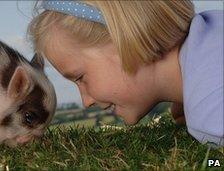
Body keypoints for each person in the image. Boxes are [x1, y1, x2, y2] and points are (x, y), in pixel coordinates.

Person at [27, 1, 223, 147]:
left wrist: (203, 112)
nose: (86, 101)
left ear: (127, 37)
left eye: (80, 78)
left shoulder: (211, 117)